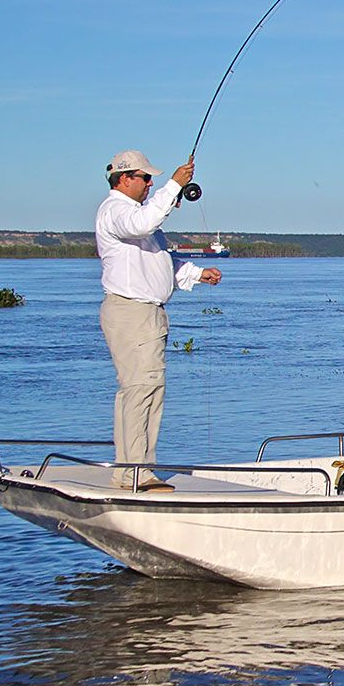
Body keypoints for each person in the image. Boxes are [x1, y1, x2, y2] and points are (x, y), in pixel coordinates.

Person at [96, 150, 223, 491]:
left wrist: (197, 274)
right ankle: (136, 471)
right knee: (142, 389)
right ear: (125, 178)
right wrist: (173, 186)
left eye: (152, 178)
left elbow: (161, 261)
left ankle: (130, 469)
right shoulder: (116, 212)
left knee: (144, 390)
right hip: (132, 312)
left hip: (145, 314)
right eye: (145, 177)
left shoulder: (137, 217)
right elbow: (144, 224)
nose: (150, 183)